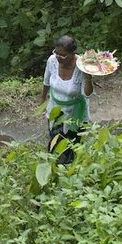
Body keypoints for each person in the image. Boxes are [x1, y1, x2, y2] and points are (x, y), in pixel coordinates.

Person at [40, 35, 93, 165]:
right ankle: (54, 167)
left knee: (71, 144)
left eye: (63, 55)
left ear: (73, 53)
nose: (59, 57)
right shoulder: (52, 60)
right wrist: (42, 101)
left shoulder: (82, 66)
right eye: (56, 53)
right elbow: (46, 82)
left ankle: (68, 171)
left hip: (75, 113)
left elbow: (87, 94)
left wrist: (88, 78)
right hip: (55, 108)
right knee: (54, 140)